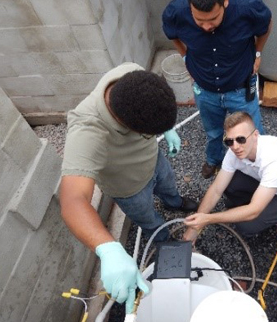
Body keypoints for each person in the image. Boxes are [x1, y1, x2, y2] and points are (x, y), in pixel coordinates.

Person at [59, 62, 198, 314]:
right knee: (148, 218)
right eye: (147, 133)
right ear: (126, 125)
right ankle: (162, 238)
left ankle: (174, 202)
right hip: (130, 189)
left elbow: (152, 103)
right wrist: (107, 248)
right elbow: (72, 200)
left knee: (169, 185)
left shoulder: (131, 74)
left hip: (154, 161)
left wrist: (166, 130)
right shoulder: (87, 131)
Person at [162, 0, 272, 179]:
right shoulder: (175, 12)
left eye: (213, 19)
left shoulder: (248, 7)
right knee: (213, 131)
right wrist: (185, 57)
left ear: (225, 3)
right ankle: (214, 158)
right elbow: (172, 33)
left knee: (252, 130)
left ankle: (260, 165)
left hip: (240, 89)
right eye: (199, 21)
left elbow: (266, 25)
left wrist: (258, 53)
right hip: (205, 91)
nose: (206, 26)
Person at [183, 112, 277, 240]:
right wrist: (194, 228)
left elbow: (254, 210)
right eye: (229, 141)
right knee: (229, 184)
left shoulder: (276, 159)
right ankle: (259, 202)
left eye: (241, 139)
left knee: (246, 225)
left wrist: (208, 219)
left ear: (255, 135)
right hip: (264, 181)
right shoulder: (234, 151)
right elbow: (216, 189)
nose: (235, 147)